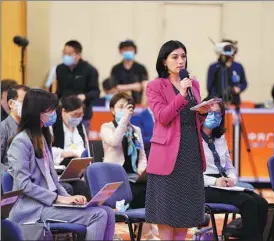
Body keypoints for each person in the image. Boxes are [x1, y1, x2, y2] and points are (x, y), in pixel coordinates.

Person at [7, 89, 115, 240]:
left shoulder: (43, 139)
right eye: (50, 110)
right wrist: (59, 199)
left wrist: (71, 199)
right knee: (98, 215)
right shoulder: (21, 142)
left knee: (108, 212)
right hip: (34, 208)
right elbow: (24, 185)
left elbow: (53, 181)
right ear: (37, 111)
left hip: (50, 204)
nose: (53, 114)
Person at [145, 40, 208, 240]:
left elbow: (194, 117)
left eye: (183, 56)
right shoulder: (155, 86)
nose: (181, 61)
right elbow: (163, 116)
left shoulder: (193, 83)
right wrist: (181, 94)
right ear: (164, 61)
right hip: (167, 154)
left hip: (191, 152)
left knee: (185, 214)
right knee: (165, 214)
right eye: (175, 57)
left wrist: (204, 112)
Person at [202, 97, 268, 241]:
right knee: (248, 202)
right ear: (202, 113)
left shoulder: (220, 138)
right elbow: (191, 174)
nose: (214, 116)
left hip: (223, 182)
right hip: (204, 186)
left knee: (261, 203)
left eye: (218, 113)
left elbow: (229, 167)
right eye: (211, 112)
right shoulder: (193, 138)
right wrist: (215, 182)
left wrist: (232, 179)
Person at [100, 92, 158, 239]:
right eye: (121, 107)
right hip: (115, 177)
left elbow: (142, 156)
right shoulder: (106, 127)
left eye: (128, 108)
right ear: (112, 110)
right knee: (139, 191)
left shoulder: (135, 129)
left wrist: (142, 170)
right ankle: (145, 232)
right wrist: (124, 120)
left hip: (133, 176)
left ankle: (146, 231)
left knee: (151, 187)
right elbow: (114, 141)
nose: (126, 111)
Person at [51, 95, 91, 200]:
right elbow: (49, 150)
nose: (78, 118)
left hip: (77, 170)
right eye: (75, 114)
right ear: (64, 111)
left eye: (80, 114)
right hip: (59, 169)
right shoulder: (54, 125)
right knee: (70, 188)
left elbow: (86, 147)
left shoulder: (80, 126)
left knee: (85, 186)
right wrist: (71, 153)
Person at [55, 40, 100, 131]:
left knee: (81, 142)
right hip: (64, 113)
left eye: (69, 54)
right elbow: (59, 91)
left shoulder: (90, 70)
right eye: (64, 53)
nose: (66, 56)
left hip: (82, 115)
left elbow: (96, 92)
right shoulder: (60, 69)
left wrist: (84, 96)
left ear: (78, 55)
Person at [207, 39, 247, 106]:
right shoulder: (214, 67)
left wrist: (239, 88)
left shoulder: (238, 66)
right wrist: (216, 100)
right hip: (217, 105)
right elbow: (210, 86)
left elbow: (244, 83)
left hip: (234, 103)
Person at [1, 85, 29, 172]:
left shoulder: (29, 127)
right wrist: (10, 173)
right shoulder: (3, 128)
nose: (28, 107)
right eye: (23, 102)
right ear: (11, 104)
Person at [110, 40, 148, 104]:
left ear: (134, 51)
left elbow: (144, 86)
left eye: (130, 49)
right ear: (120, 51)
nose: (128, 51)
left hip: (138, 102)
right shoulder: (115, 69)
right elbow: (114, 88)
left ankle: (142, 107)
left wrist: (122, 87)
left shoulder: (141, 68)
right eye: (125, 50)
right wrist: (135, 86)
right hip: (120, 103)